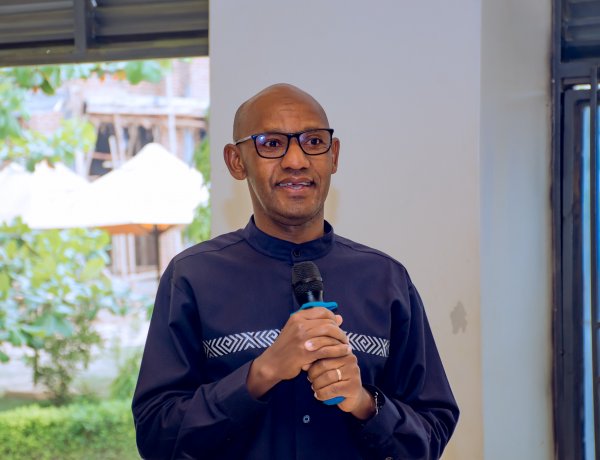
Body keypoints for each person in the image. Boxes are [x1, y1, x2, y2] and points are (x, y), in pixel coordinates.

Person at [132, 83, 459, 460]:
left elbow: (432, 432)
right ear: (236, 162)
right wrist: (260, 374)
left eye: (313, 142)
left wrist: (365, 403)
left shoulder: (386, 280)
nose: (296, 160)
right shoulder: (192, 277)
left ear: (333, 156)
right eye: (271, 144)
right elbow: (156, 437)